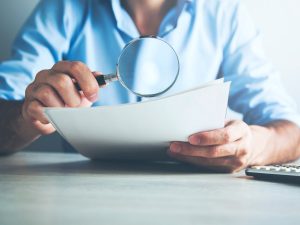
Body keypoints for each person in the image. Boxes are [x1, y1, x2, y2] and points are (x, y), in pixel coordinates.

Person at [0, 0, 299, 172]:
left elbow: (292, 131)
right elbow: (6, 110)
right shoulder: (63, 6)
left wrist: (253, 146)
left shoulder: (222, 12)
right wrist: (29, 116)